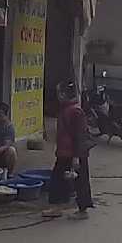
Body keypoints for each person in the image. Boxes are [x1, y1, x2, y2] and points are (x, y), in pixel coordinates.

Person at [46, 80, 93, 220]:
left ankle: (83, 211)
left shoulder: (76, 111)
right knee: (58, 179)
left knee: (80, 182)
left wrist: (76, 157)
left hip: (75, 153)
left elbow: (80, 136)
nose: (57, 95)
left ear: (63, 94)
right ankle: (57, 208)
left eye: (59, 92)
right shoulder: (65, 109)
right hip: (64, 152)